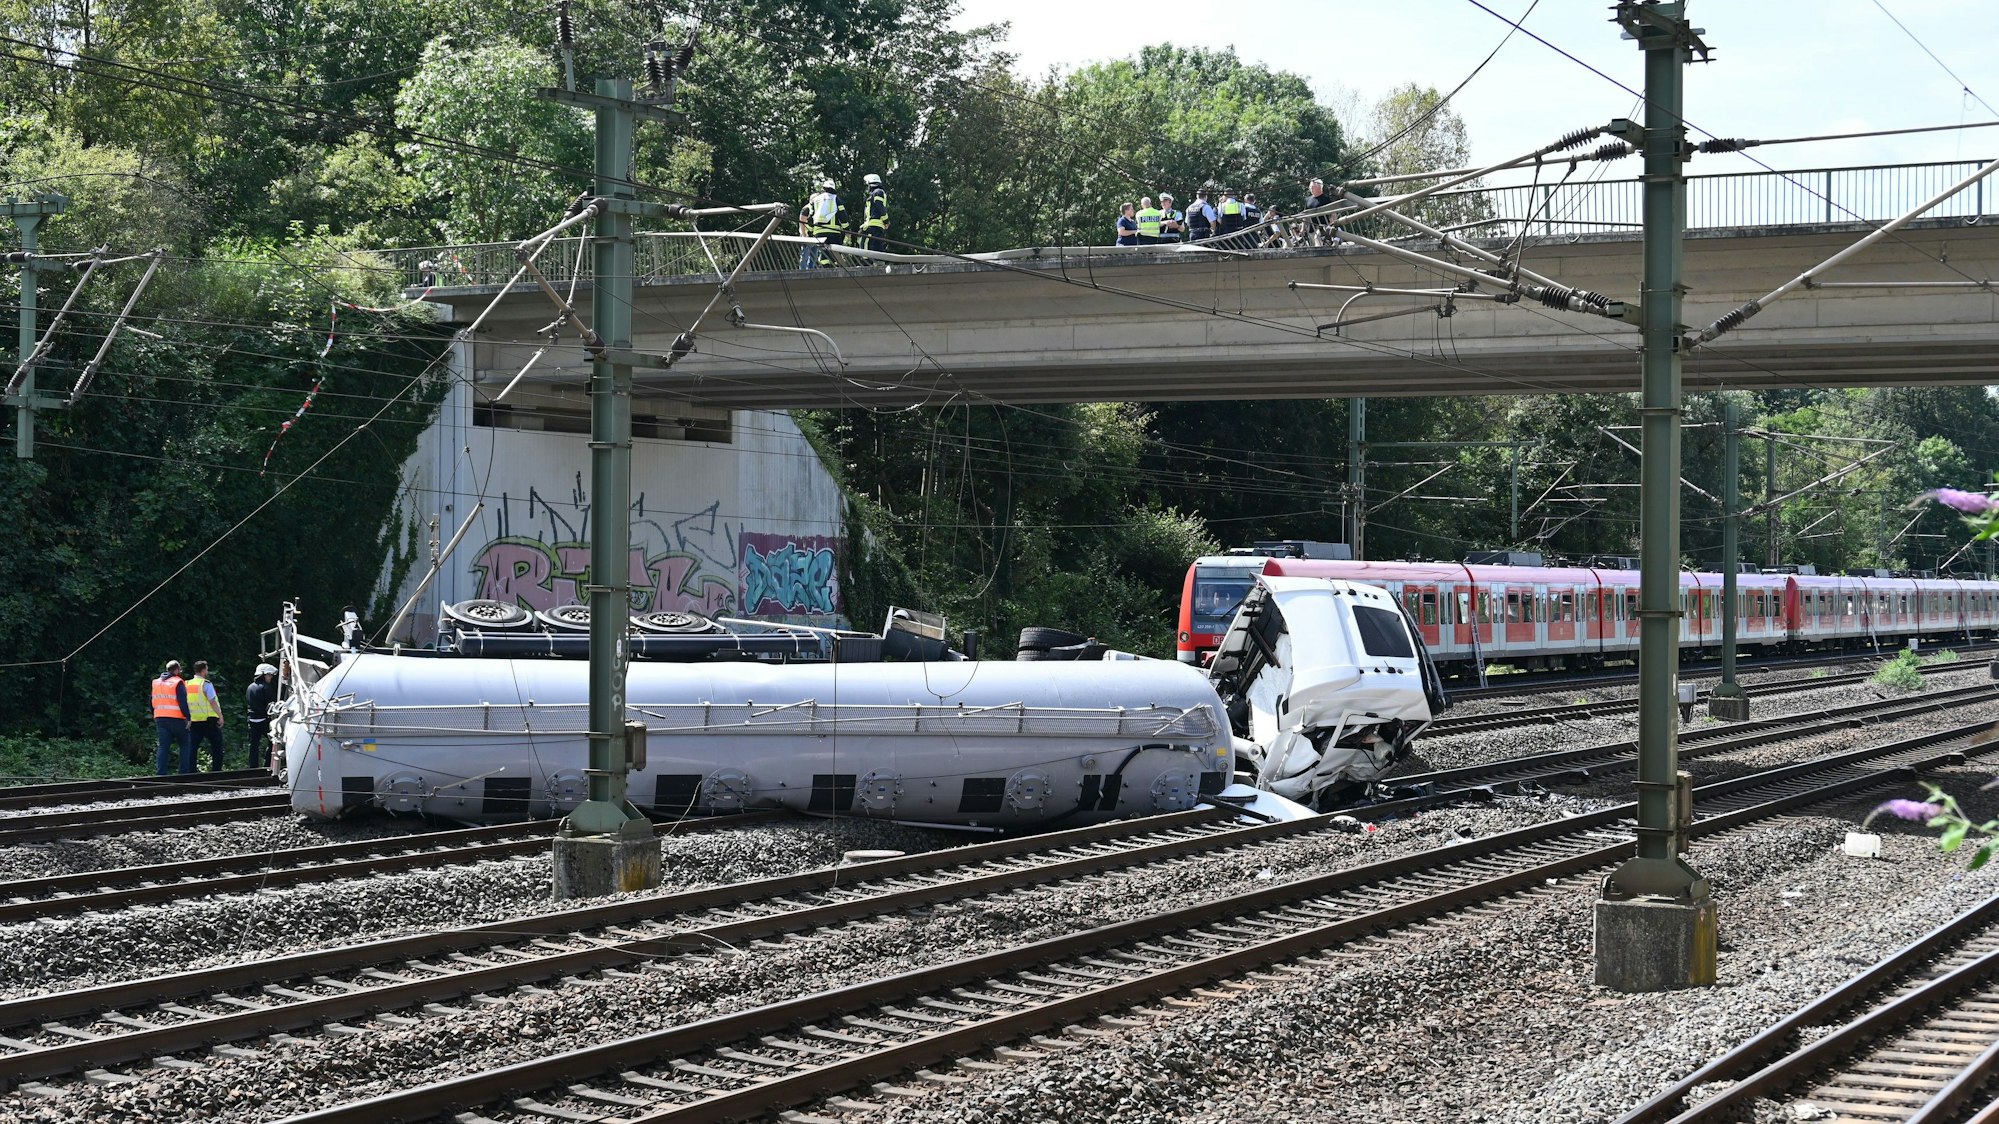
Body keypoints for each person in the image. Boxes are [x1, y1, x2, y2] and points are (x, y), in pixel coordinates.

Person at [151, 660, 193, 776]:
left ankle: (161, 774)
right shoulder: (177, 682)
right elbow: (182, 702)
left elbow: (152, 700)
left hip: (160, 718)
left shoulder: (156, 682)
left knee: (163, 746)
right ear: (176, 670)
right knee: (185, 744)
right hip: (177, 719)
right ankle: (183, 773)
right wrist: (188, 717)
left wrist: (154, 714)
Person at [186, 659, 226, 771]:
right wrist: (220, 716)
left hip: (193, 720)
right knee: (217, 745)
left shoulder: (187, 684)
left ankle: (191, 772)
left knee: (192, 747)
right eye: (207, 669)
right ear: (203, 671)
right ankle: (216, 770)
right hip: (209, 721)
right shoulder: (205, 684)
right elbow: (212, 701)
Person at [246, 663, 278, 771]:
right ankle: (268, 764)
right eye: (269, 675)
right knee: (273, 741)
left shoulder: (250, 687)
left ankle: (253, 766)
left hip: (252, 719)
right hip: (264, 720)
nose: (271, 677)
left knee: (254, 744)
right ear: (263, 675)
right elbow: (272, 705)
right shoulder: (266, 688)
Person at [861, 173, 889, 253]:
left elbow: (879, 206)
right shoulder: (878, 192)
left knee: (866, 247)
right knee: (876, 247)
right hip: (875, 226)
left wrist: (886, 221)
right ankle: (877, 263)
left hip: (872, 226)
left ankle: (866, 264)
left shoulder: (878, 192)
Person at [1305, 177, 1332, 246]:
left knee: (1317, 240)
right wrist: (1302, 228)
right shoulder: (1308, 200)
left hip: (1323, 227)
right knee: (1315, 245)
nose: (1310, 188)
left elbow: (1333, 212)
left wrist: (1332, 224)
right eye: (1310, 186)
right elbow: (1305, 214)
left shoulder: (1326, 199)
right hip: (1311, 228)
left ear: (1319, 186)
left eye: (1312, 186)